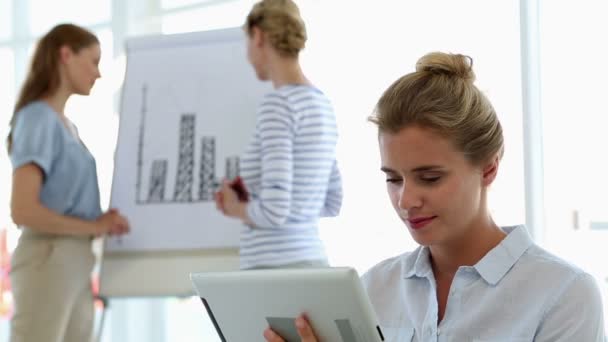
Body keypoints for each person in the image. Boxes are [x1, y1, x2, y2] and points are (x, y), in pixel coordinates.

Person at [263, 52, 606, 341]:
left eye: (429, 178)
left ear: (488, 168)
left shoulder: (563, 295)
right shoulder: (373, 289)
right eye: (393, 179)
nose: (405, 200)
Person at [6, 23, 130, 342]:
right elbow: (23, 211)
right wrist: (95, 226)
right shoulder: (37, 118)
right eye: (93, 60)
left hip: (72, 259)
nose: (98, 73)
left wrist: (101, 223)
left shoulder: (66, 126)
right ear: (65, 55)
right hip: (49, 258)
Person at [215, 0, 342, 270]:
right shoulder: (323, 104)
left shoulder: (278, 105)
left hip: (274, 269)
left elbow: (274, 211)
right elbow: (332, 201)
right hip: (312, 261)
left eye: (247, 42)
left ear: (258, 36)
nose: (247, 54)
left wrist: (235, 207)